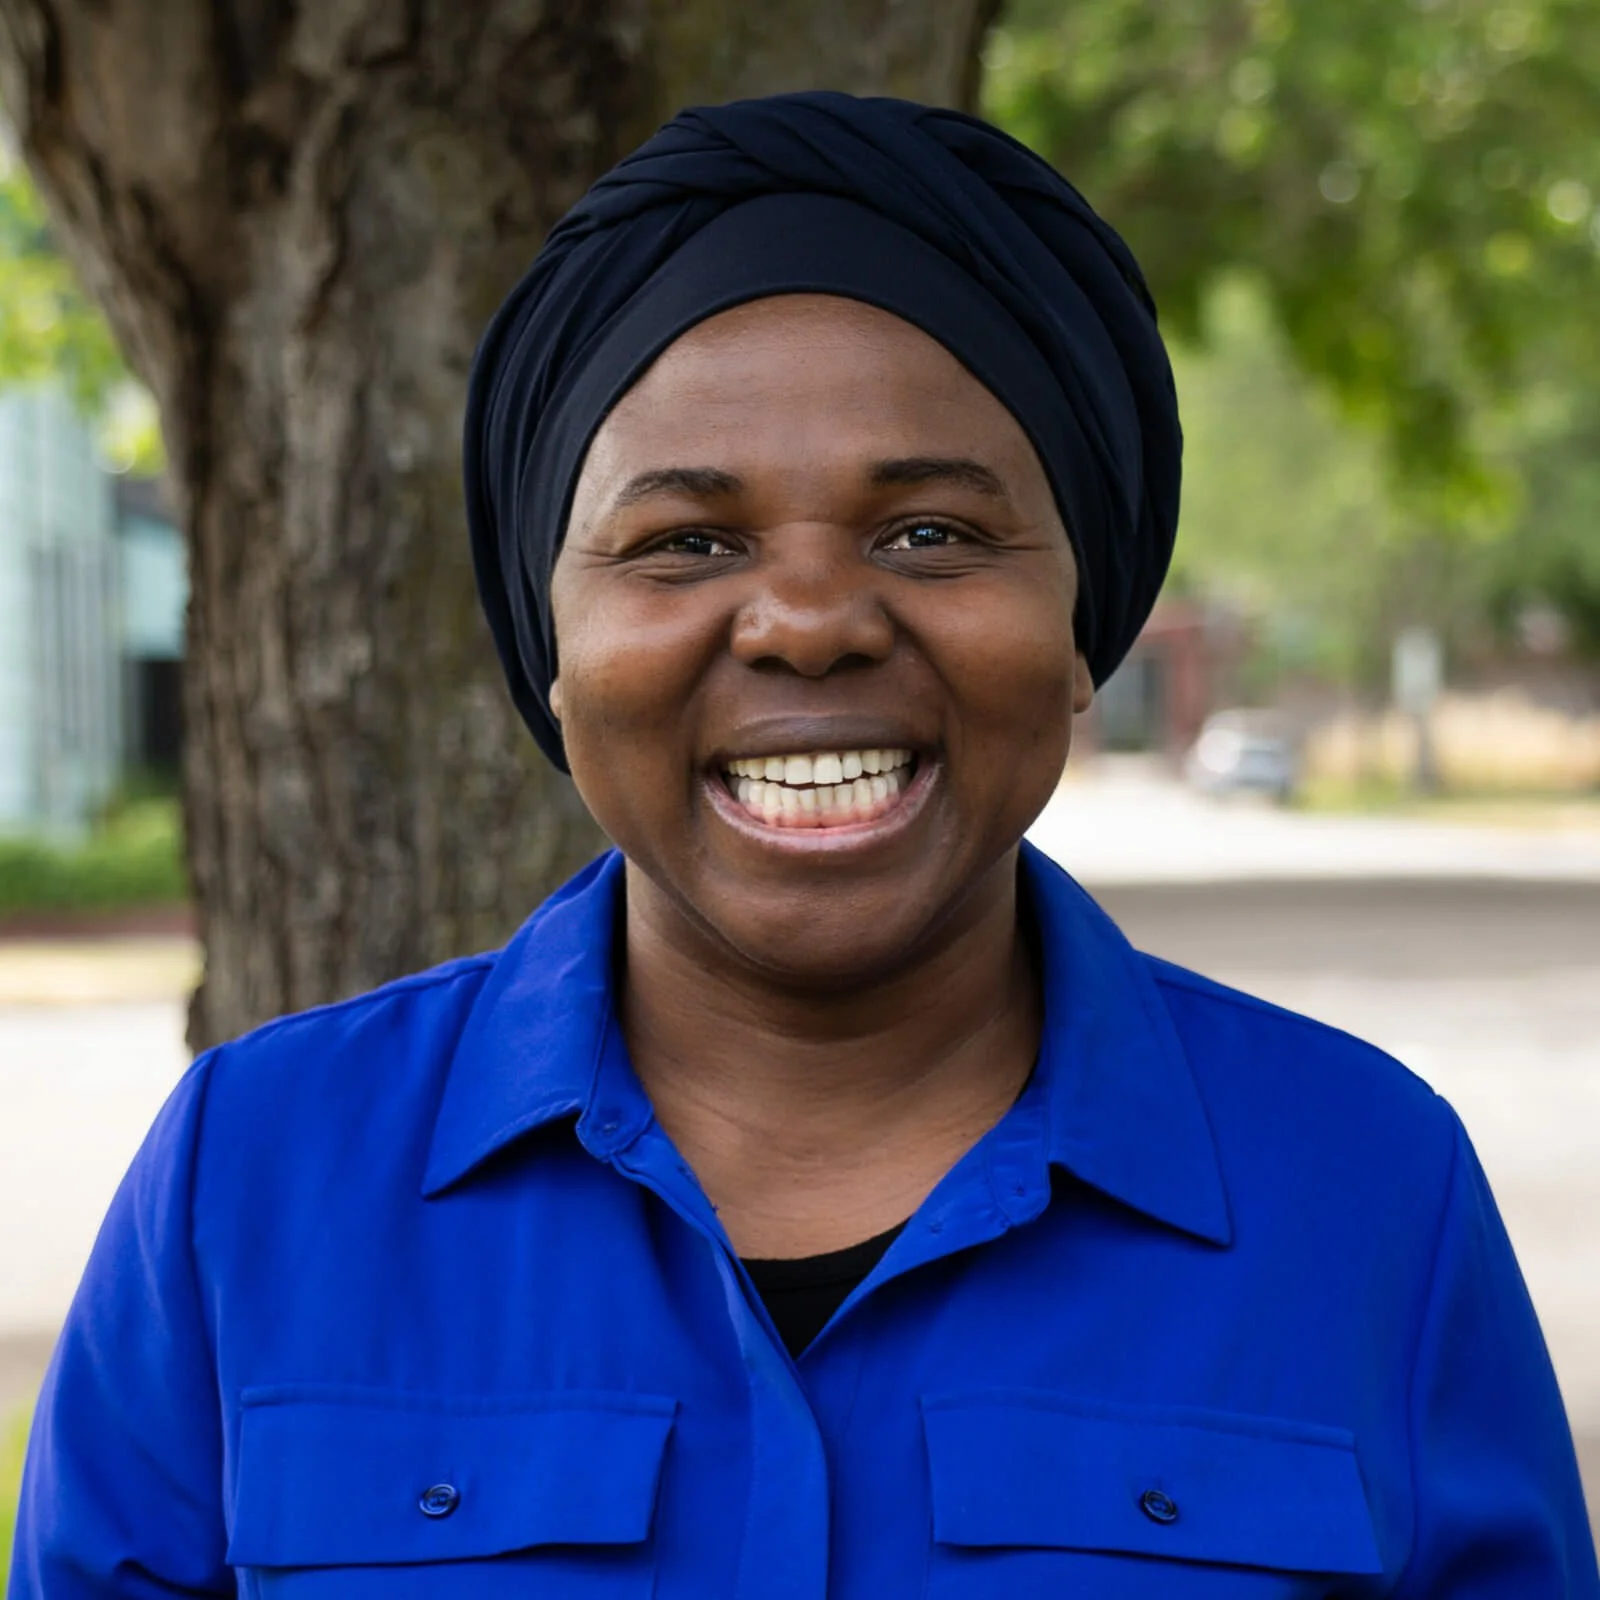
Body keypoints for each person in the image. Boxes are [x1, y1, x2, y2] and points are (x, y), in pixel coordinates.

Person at [10, 92, 1598, 1598]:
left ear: (1078, 631)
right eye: (686, 542)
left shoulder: (1369, 1193)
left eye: (931, 534)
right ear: (550, 648)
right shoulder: (254, 1178)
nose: (811, 622)